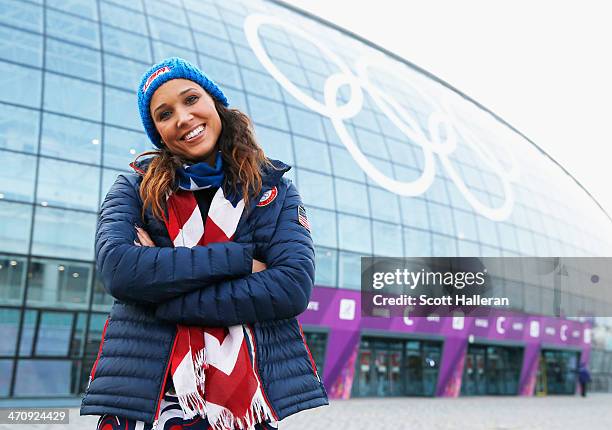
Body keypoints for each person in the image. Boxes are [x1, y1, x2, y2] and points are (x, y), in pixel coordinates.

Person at [80, 57, 328, 430]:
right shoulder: (133, 189)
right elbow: (119, 270)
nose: (182, 117)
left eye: (191, 99)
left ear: (214, 102)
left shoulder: (273, 191)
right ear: (158, 132)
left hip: (245, 403)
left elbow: (290, 288)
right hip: (148, 399)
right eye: (164, 114)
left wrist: (163, 295)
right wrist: (241, 259)